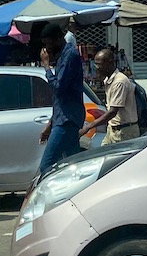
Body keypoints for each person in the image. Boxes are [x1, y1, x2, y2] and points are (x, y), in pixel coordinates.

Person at [37, 21, 85, 178]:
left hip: (67, 120)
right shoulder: (62, 57)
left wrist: (46, 66)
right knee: (73, 165)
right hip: (63, 117)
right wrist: (51, 123)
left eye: (49, 44)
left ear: (58, 38)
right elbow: (60, 98)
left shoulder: (69, 56)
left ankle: (56, 197)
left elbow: (59, 87)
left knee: (47, 166)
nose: (47, 49)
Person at [83, 48, 139, 145]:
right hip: (112, 130)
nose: (96, 67)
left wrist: (88, 126)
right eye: (95, 64)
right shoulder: (109, 80)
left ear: (109, 63)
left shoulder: (119, 82)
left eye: (99, 64)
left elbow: (112, 112)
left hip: (124, 131)